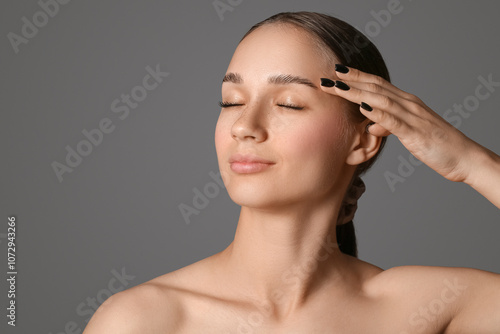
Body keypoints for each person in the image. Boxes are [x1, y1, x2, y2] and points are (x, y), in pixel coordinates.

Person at [83, 11, 500, 333]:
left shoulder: (422, 306)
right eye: (231, 101)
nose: (244, 126)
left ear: (363, 140)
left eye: (288, 104)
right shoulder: (144, 319)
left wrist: (472, 163)